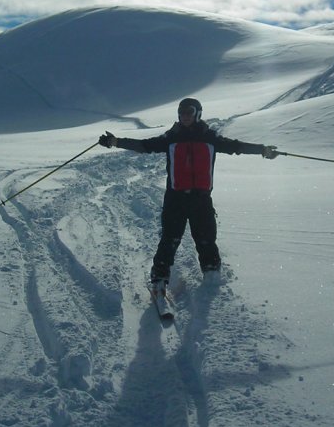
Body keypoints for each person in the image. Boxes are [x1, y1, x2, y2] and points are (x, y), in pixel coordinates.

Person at [98, 97, 278, 286]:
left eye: (189, 112)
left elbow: (236, 146)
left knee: (206, 239)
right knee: (170, 239)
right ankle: (159, 276)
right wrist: (115, 141)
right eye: (181, 112)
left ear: (197, 114)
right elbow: (145, 146)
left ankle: (211, 272)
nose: (184, 116)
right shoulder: (171, 137)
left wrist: (262, 150)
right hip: (175, 199)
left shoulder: (210, 137)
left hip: (201, 199)